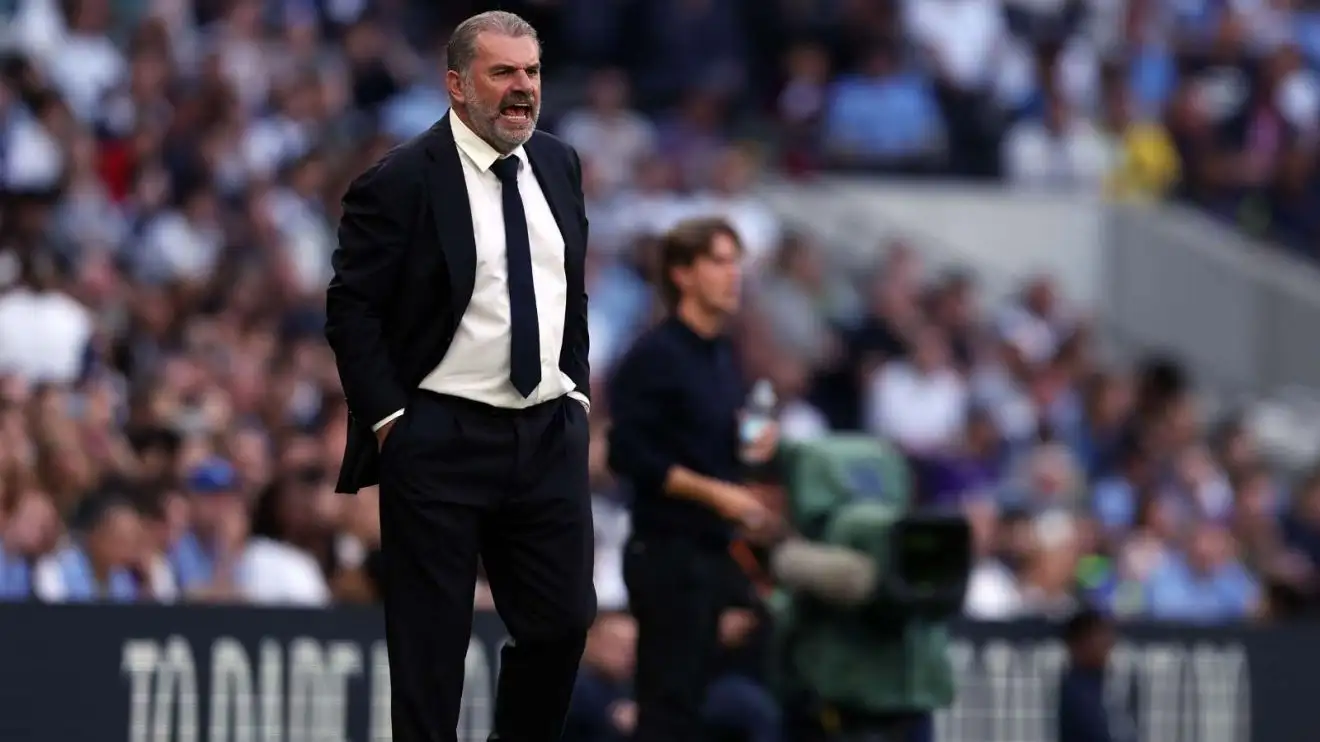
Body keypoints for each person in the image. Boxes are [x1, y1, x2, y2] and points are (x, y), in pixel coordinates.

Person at [324, 10, 594, 742]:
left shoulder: (561, 163)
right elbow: (352, 309)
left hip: (546, 434)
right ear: (455, 84)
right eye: (502, 72)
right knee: (430, 655)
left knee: (565, 624)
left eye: (531, 72)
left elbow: (570, 288)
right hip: (439, 433)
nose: (522, 90)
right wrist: (390, 423)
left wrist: (577, 389)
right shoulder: (402, 179)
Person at [608, 217, 779, 742]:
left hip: (713, 554)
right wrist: (717, 494)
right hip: (667, 552)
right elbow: (628, 453)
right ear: (682, 273)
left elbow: (719, 445)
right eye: (720, 262)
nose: (734, 276)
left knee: (763, 646)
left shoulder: (722, 355)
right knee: (670, 708)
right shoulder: (655, 355)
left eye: (737, 264)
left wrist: (753, 445)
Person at [1058, 607, 1124, 742]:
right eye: (1099, 636)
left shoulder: (1108, 684)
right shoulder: (1076, 692)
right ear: (1078, 643)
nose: (1107, 643)